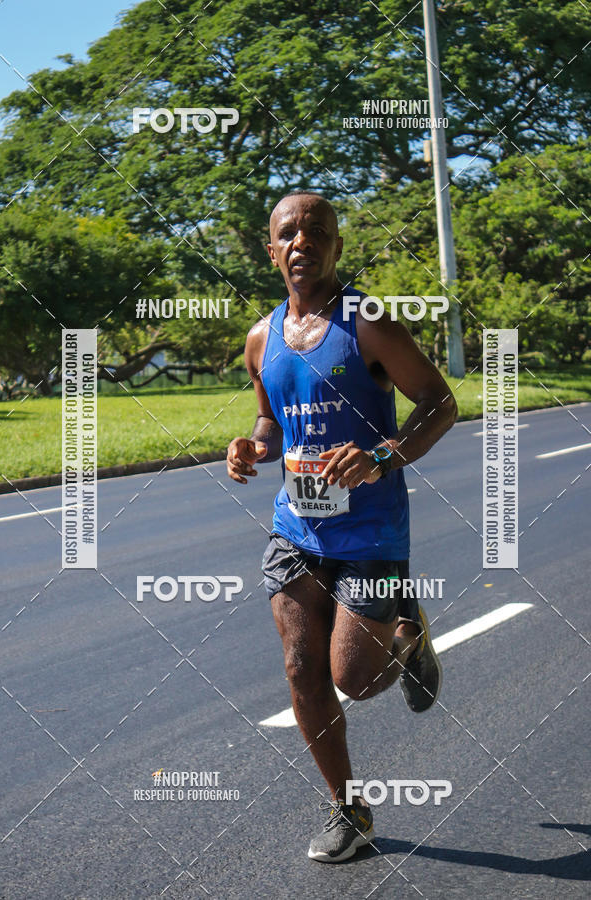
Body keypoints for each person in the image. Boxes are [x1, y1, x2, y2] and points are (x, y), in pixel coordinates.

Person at [226, 190, 457, 863]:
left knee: (354, 678)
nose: (302, 243)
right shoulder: (261, 339)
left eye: (317, 232)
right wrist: (253, 446)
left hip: (372, 530)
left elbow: (439, 403)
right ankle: (348, 808)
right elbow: (273, 421)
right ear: (271, 251)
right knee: (302, 665)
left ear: (336, 247)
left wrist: (382, 454)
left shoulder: (368, 324)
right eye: (288, 234)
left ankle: (406, 632)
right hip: (296, 526)